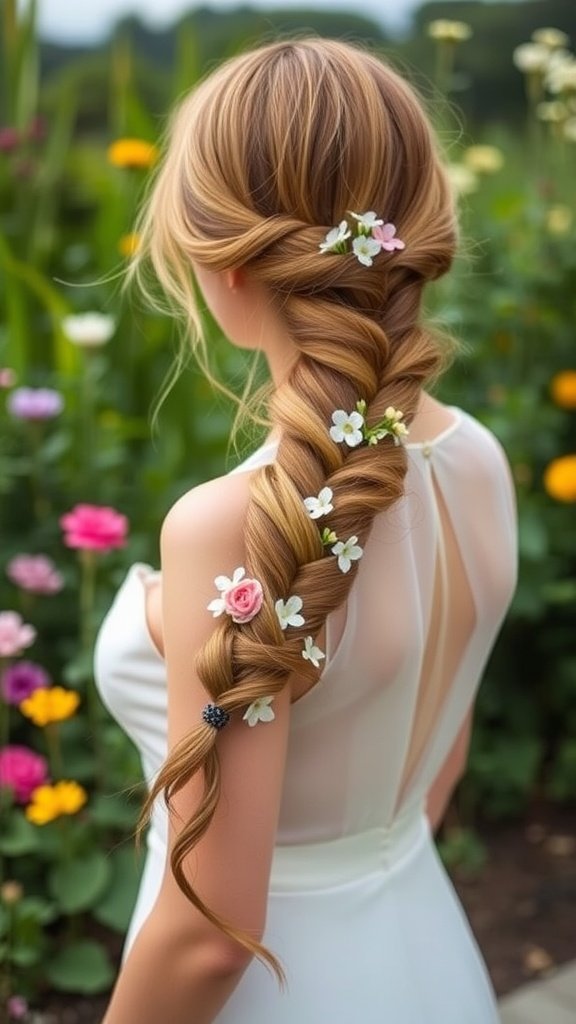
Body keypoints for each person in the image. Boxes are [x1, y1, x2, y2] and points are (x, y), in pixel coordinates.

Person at [94, 38, 517, 1024]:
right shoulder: (478, 460)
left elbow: (208, 938)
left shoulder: (228, 524)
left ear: (229, 265)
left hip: (278, 991)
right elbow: (437, 769)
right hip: (426, 949)